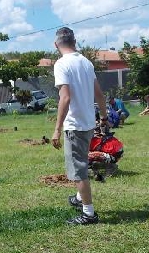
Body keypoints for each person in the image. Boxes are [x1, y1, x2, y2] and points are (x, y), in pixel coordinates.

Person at [52, 27, 107, 225]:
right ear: (74, 42)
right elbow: (99, 94)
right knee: (81, 162)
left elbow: (65, 98)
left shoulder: (61, 64)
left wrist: (57, 129)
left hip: (74, 125)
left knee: (78, 171)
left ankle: (88, 213)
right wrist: (104, 117)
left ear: (56, 44)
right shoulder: (86, 62)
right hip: (88, 123)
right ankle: (78, 198)